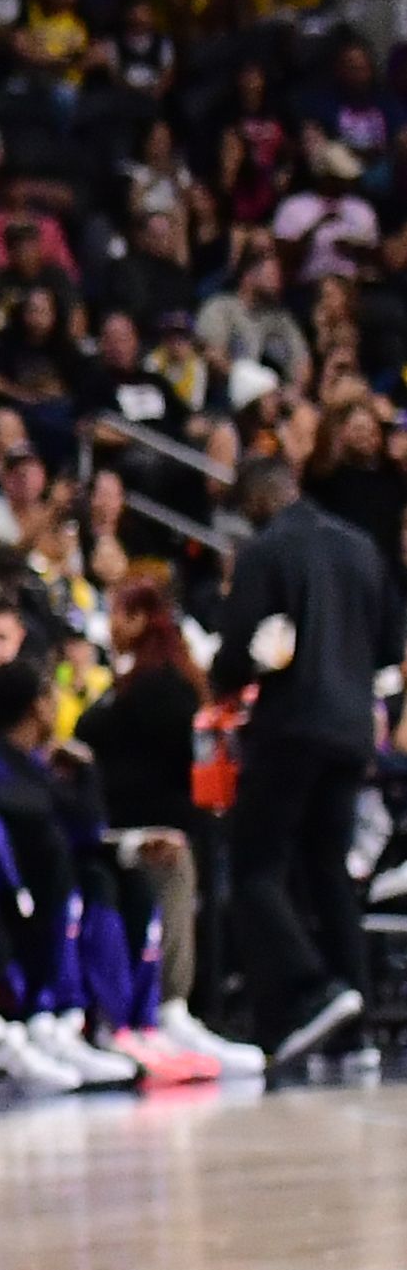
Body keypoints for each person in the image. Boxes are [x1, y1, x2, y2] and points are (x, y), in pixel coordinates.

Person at [213, 452, 402, 1064]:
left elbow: (237, 655)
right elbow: (390, 648)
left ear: (259, 498)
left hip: (291, 726)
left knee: (255, 868)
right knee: (328, 871)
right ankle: (356, 1028)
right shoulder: (361, 547)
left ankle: (311, 992)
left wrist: (230, 677)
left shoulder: (266, 552)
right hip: (353, 731)